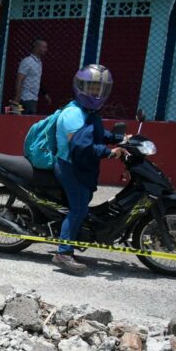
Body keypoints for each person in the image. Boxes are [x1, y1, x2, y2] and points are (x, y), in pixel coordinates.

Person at [52, 64, 129, 273]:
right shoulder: (74, 114)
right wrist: (110, 152)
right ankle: (63, 253)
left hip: (82, 167)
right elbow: (81, 147)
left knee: (82, 205)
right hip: (71, 166)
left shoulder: (89, 111)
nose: (95, 92)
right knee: (79, 208)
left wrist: (118, 138)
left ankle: (72, 237)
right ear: (80, 86)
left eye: (99, 88)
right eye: (92, 87)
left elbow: (98, 133)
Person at [13, 38, 51, 115]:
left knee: (28, 120)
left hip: (33, 98)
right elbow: (19, 79)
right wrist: (17, 97)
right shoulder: (27, 61)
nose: (46, 50)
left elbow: (37, 80)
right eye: (44, 47)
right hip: (24, 98)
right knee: (20, 119)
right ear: (37, 48)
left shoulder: (39, 63)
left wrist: (45, 94)